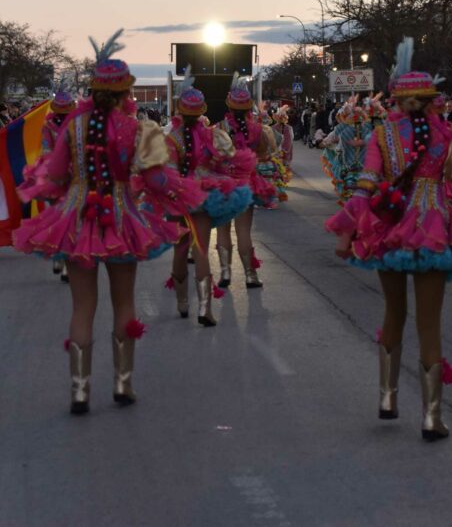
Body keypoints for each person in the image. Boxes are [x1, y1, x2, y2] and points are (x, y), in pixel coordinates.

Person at [327, 38, 452, 441]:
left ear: (395, 99)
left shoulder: (381, 136)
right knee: (430, 325)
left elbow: (363, 188)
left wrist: (346, 232)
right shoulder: (448, 137)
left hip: (390, 230)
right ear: (432, 99)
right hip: (435, 228)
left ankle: (387, 398)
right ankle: (432, 417)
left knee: (393, 313)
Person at [14, 31, 200, 415]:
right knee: (124, 302)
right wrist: (178, 194)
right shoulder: (137, 129)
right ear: (125, 93)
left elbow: (57, 176)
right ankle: (122, 384)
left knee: (82, 308)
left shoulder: (73, 128)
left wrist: (56, 194)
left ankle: (79, 391)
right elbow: (155, 179)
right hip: (122, 219)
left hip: (77, 221)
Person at [164, 79, 253, 324]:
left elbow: (168, 172)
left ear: (178, 110)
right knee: (200, 250)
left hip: (178, 199)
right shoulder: (214, 136)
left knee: (180, 251)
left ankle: (183, 303)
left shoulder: (171, 138)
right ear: (202, 110)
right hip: (204, 195)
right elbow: (227, 162)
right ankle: (205, 308)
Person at [216, 75, 277, 289]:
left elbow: (212, 156)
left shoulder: (219, 129)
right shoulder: (259, 129)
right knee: (244, 231)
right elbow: (265, 154)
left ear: (229, 104)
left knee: (223, 230)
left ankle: (225, 273)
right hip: (247, 185)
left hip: (223, 185)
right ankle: (250, 275)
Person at [19, 90, 77, 283]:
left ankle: (60, 260)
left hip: (57, 174)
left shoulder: (53, 125)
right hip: (68, 176)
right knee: (69, 219)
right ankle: (64, 261)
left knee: (59, 218)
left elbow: (47, 151)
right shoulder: (75, 125)